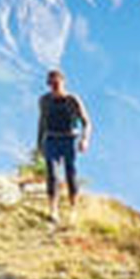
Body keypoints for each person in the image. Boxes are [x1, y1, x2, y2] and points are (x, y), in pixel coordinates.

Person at [35, 68, 92, 224]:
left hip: (69, 139)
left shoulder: (72, 100)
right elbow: (41, 123)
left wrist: (84, 139)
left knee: (70, 174)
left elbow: (86, 122)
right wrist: (39, 143)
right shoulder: (44, 101)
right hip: (51, 139)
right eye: (51, 83)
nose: (54, 86)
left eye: (56, 83)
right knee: (52, 175)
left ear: (63, 82)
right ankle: (53, 210)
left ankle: (73, 209)